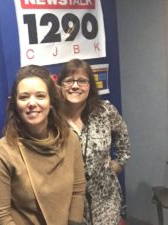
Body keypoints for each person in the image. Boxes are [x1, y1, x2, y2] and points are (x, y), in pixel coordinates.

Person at [0, 65, 86, 225]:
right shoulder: (2, 152)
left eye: (40, 96)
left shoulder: (70, 140)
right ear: (15, 104)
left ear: (51, 102)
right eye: (24, 97)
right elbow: (0, 219)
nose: (32, 103)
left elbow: (78, 191)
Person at [57, 58, 131, 225]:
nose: (75, 86)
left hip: (106, 200)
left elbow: (123, 137)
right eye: (69, 81)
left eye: (82, 81)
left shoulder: (105, 111)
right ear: (60, 86)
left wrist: (118, 163)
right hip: (68, 204)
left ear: (90, 86)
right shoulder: (52, 118)